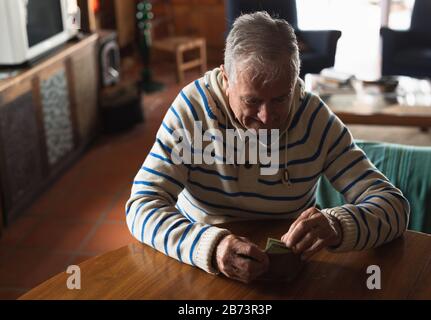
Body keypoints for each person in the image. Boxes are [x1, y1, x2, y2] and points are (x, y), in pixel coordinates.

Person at [126, 12, 410, 283]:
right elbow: (141, 206)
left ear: (294, 83)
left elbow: (394, 207)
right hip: (203, 268)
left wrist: (337, 225)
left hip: (291, 272)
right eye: (251, 101)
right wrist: (209, 247)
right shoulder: (193, 112)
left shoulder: (314, 119)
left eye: (279, 100)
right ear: (226, 80)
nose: (266, 118)